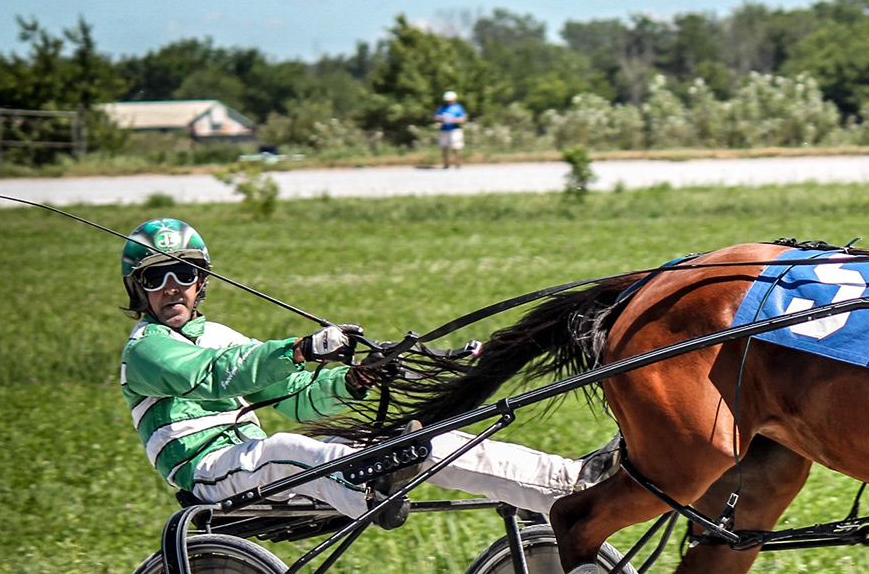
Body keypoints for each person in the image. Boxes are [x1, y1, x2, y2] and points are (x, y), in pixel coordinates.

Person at [116, 218, 616, 526]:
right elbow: (215, 373)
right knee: (286, 449)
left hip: (255, 466)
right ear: (138, 289)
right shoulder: (145, 350)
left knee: (431, 439)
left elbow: (295, 398)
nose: (172, 287)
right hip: (209, 473)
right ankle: (371, 489)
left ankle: (563, 482)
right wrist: (300, 348)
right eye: (156, 277)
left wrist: (354, 379)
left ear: (202, 282)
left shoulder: (222, 333)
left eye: (185, 273)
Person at [434, 90, 467, 169]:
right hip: (444, 129)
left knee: (457, 146)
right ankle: (446, 164)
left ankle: (458, 163)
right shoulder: (442, 107)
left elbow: (463, 118)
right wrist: (442, 118)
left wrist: (454, 120)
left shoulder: (458, 107)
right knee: (445, 147)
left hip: (455, 128)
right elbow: (436, 116)